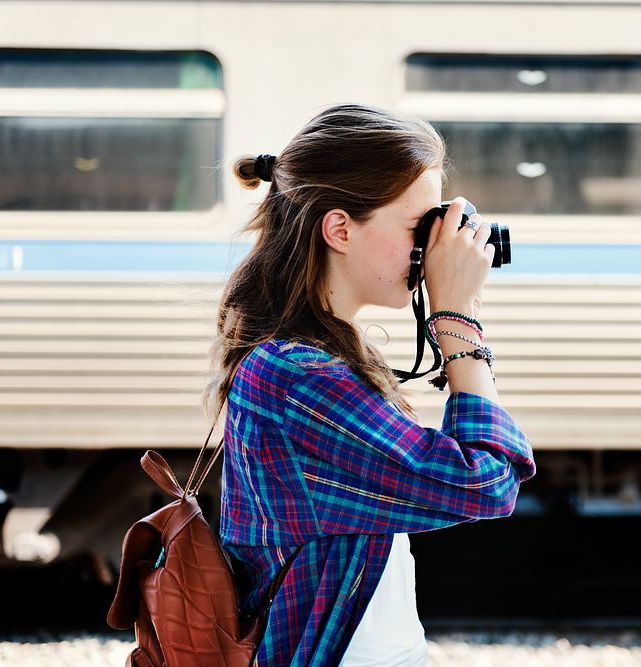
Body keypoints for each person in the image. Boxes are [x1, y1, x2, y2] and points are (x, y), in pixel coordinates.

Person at [203, 103, 536, 667]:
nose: (432, 248)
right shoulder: (298, 378)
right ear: (339, 228)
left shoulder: (310, 358)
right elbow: (486, 483)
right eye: (419, 226)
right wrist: (456, 315)